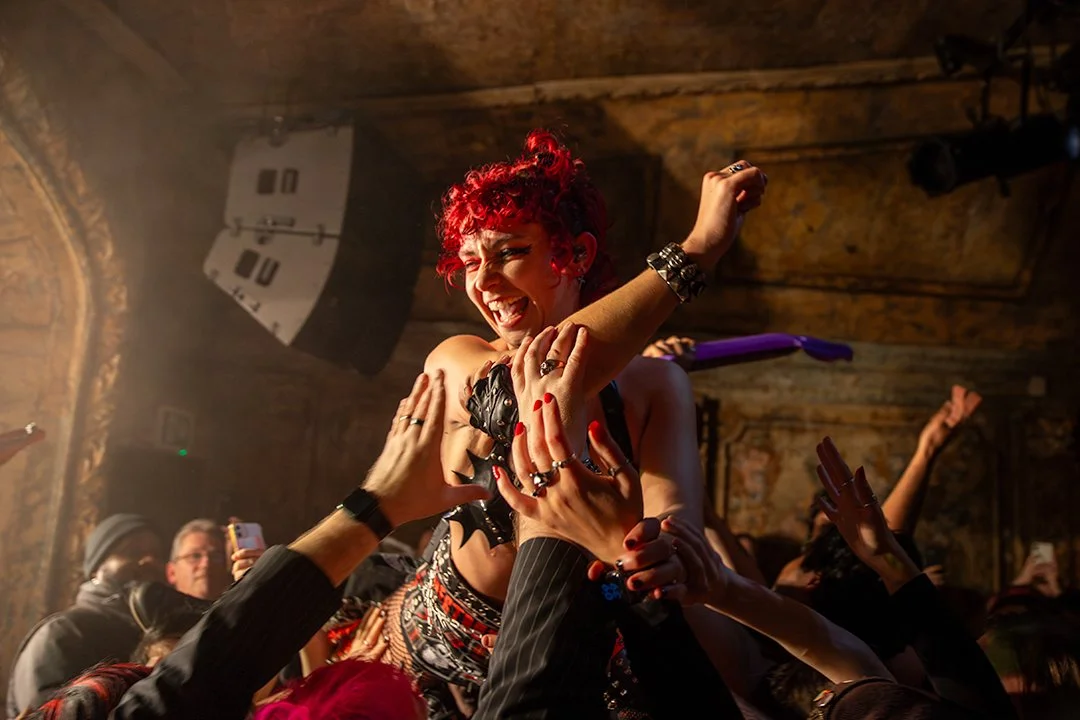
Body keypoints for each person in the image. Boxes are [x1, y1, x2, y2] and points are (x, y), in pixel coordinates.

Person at [376, 128, 767, 708]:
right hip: (433, 645)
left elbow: (673, 526)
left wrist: (658, 551)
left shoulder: (657, 383)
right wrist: (696, 250)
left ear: (577, 253)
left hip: (575, 660)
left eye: (510, 252)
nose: (481, 283)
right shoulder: (459, 357)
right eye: (467, 262)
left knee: (741, 667)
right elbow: (535, 392)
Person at [6, 514, 165, 717]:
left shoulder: (155, 632)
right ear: (96, 569)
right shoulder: (62, 632)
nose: (149, 561)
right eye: (132, 552)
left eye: (157, 554)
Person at [166, 519, 230, 601]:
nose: (206, 564)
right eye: (195, 556)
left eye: (215, 556)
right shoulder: (157, 613)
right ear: (172, 572)